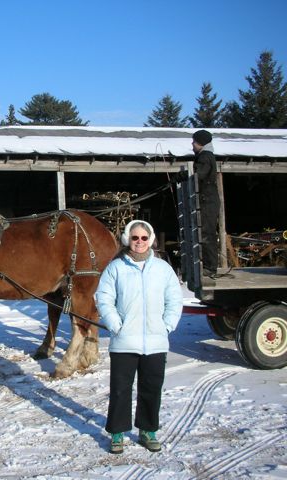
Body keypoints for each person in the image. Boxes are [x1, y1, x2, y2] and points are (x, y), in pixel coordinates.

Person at [94, 220, 183, 454]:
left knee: (151, 387)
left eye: (144, 238)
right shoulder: (116, 268)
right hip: (124, 342)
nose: (139, 242)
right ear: (127, 239)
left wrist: (167, 325)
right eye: (135, 238)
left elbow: (175, 299)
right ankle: (117, 432)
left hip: (156, 342)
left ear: (150, 240)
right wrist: (115, 324)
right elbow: (103, 297)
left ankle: (148, 430)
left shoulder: (162, 269)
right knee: (120, 389)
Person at [192, 129, 220, 276]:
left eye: (194, 142)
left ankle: (210, 267)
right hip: (206, 199)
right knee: (204, 232)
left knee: (207, 233)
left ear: (201, 143)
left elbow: (199, 176)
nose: (192, 144)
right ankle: (208, 266)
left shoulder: (205, 156)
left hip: (208, 200)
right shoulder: (205, 156)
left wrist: (186, 176)